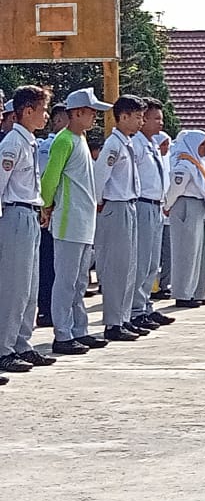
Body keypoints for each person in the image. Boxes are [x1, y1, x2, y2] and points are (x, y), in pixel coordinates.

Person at [40, 88, 113, 355]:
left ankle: (79, 329)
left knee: (80, 280)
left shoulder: (79, 139)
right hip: (69, 221)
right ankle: (63, 334)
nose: (95, 117)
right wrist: (45, 206)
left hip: (83, 221)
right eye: (92, 112)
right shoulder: (64, 140)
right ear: (77, 112)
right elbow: (50, 177)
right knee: (66, 280)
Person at [0, 85, 54, 376]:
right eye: (42, 109)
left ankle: (22, 342)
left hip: (30, 213)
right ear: (27, 111)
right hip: (14, 214)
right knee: (14, 286)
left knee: (30, 285)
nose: (45, 115)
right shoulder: (12, 144)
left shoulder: (29, 142)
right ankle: (4, 349)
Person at [94, 95, 147, 342]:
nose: (141, 121)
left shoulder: (127, 142)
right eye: (137, 117)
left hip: (130, 205)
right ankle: (113, 323)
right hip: (116, 206)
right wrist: (100, 202)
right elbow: (99, 178)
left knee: (129, 266)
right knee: (116, 267)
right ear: (122, 117)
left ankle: (124, 318)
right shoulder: (113, 145)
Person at [130, 98, 175, 330]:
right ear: (143, 118)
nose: (160, 122)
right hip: (142, 204)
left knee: (152, 262)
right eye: (155, 118)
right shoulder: (135, 144)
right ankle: (135, 310)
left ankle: (145, 305)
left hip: (156, 205)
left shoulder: (151, 144)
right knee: (142, 260)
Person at [166, 131, 205, 308]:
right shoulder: (184, 165)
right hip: (185, 205)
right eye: (202, 145)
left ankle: (196, 291)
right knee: (186, 251)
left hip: (198, 207)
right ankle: (183, 294)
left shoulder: (199, 163)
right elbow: (175, 188)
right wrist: (167, 206)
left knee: (199, 253)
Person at [35, 102, 69, 330]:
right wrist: (46, 206)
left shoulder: (75, 143)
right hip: (46, 213)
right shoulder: (47, 146)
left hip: (63, 213)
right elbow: (47, 177)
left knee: (61, 267)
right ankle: (46, 310)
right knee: (47, 264)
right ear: (57, 121)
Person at [152, 131, 173, 300]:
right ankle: (153, 287)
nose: (165, 148)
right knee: (153, 254)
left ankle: (165, 283)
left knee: (168, 252)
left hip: (168, 214)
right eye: (162, 144)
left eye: (167, 144)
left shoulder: (168, 161)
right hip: (155, 211)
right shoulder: (153, 161)